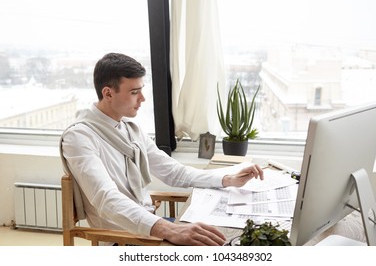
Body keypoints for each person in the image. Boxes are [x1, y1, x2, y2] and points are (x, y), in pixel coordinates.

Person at [60, 52, 264, 246]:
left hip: (149, 226)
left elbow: (173, 172)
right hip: (123, 239)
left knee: (231, 236)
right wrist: (171, 230)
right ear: (108, 93)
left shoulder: (130, 130)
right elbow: (106, 198)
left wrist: (227, 179)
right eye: (134, 92)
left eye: (141, 89)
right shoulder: (79, 137)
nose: (142, 98)